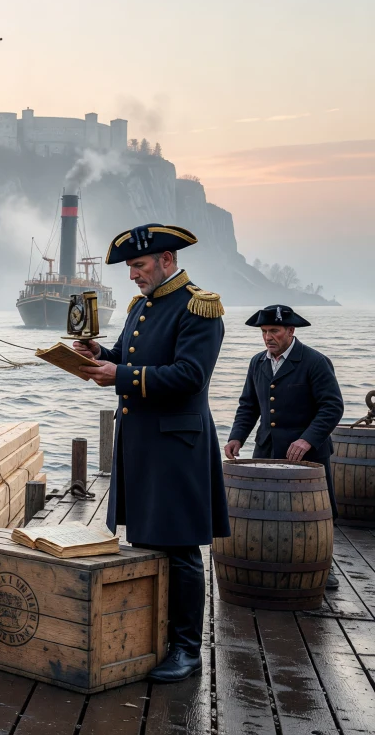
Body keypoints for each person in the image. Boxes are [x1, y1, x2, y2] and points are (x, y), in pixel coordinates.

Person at [73, 224, 228, 684]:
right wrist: (97, 353)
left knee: (180, 550)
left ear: (166, 260)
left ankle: (187, 650)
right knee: (145, 541)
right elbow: (127, 355)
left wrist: (119, 374)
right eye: (130, 268)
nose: (132, 276)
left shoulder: (199, 307)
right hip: (142, 445)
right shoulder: (142, 306)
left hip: (177, 448)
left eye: (138, 266)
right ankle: (155, 638)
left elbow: (190, 376)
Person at [225, 305, 344, 587]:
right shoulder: (257, 362)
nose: (268, 337)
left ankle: (324, 564)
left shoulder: (315, 361)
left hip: (309, 454)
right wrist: (236, 437)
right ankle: (270, 562)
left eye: (274, 331)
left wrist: (307, 439)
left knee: (314, 511)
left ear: (290, 331)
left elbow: (332, 407)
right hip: (266, 449)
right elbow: (249, 405)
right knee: (267, 509)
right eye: (264, 331)